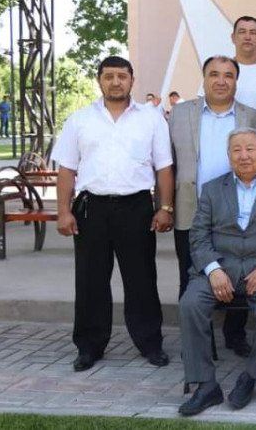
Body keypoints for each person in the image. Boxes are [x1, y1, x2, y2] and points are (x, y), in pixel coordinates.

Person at [51, 56, 174, 372]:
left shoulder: (151, 119)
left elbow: (164, 168)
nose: (116, 82)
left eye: (122, 76)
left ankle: (150, 343)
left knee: (141, 279)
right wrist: (63, 212)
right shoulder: (79, 120)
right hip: (91, 209)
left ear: (132, 80)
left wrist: (165, 208)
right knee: (90, 281)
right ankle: (89, 347)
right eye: (109, 76)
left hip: (136, 208)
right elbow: (66, 170)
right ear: (99, 81)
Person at [177, 127, 256, 416]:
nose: (244, 155)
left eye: (250, 149)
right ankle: (206, 385)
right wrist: (212, 269)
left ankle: (251, 376)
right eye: (236, 150)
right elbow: (198, 236)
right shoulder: (212, 189)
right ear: (229, 155)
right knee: (190, 303)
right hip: (220, 268)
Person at [169, 56, 256, 358]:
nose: (221, 81)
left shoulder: (252, 116)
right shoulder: (180, 114)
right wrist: (164, 206)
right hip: (190, 208)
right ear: (204, 78)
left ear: (236, 81)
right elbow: (167, 163)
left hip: (239, 211)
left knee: (238, 273)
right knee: (190, 274)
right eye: (214, 74)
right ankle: (198, 342)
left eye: (228, 75)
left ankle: (235, 334)